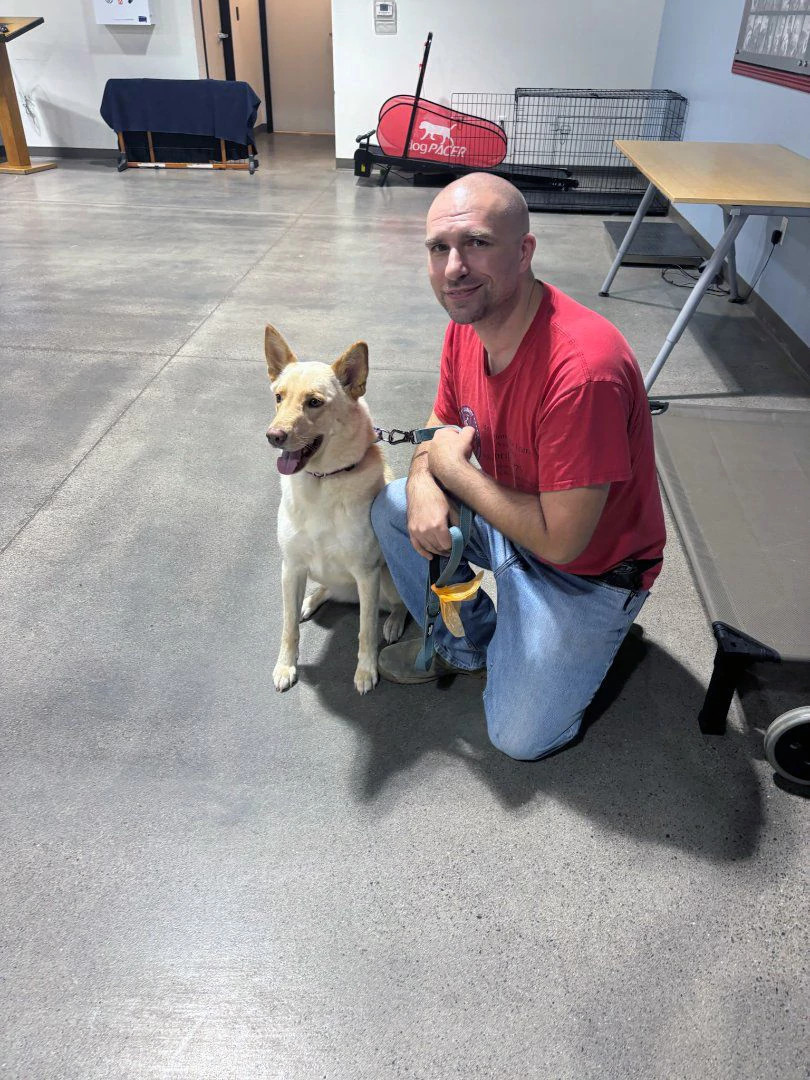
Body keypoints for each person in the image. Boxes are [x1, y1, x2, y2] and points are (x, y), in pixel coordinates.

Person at [370, 173, 665, 761]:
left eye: (476, 243)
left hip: (587, 571)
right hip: (514, 519)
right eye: (439, 249)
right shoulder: (470, 322)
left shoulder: (582, 371)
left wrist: (451, 474)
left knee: (519, 738)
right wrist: (427, 477)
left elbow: (563, 541)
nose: (454, 268)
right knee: (395, 505)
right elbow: (440, 420)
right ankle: (469, 645)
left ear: (524, 251)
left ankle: (576, 635)